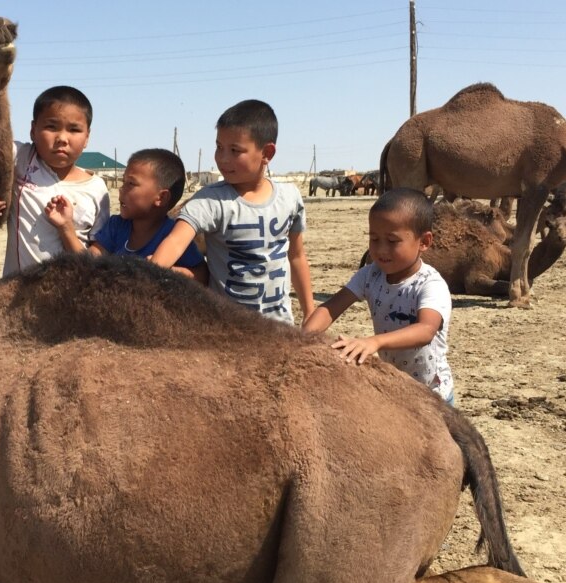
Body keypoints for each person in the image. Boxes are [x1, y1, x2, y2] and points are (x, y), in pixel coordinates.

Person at [149, 99, 312, 324]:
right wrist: (149, 272)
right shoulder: (210, 200)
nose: (223, 158)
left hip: (279, 327)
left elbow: (296, 256)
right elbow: (176, 241)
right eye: (219, 147)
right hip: (226, 329)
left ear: (267, 152)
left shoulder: (290, 198)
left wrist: (310, 312)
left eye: (235, 150)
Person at [302, 188, 455, 404]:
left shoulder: (430, 284)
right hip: (396, 387)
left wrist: (373, 342)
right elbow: (331, 307)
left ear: (425, 242)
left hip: (433, 393)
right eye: (374, 239)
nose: (381, 250)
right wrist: (302, 339)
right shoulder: (370, 275)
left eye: (392, 241)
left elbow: (426, 330)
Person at [0, 85, 110, 277]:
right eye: (51, 127)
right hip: (18, 294)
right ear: (33, 130)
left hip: (70, 296)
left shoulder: (97, 189)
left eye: (74, 129)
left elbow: (97, 258)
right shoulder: (21, 157)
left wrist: (66, 228)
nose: (62, 138)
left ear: (87, 136)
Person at [43, 148, 207, 283]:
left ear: (161, 197)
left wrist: (171, 273)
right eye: (123, 182)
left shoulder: (174, 235)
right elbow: (88, 263)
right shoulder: (116, 226)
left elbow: (202, 275)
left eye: (131, 184)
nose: (121, 189)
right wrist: (66, 227)